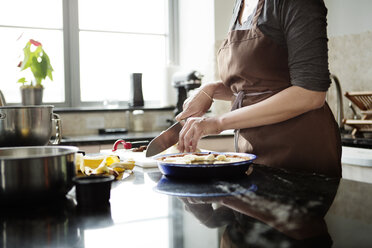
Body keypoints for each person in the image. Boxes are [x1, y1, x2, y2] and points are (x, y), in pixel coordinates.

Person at [175, 0, 342, 178]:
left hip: (299, 154)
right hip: (255, 154)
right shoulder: (241, 5)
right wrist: (210, 90)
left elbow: (310, 94)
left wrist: (218, 123)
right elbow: (255, 85)